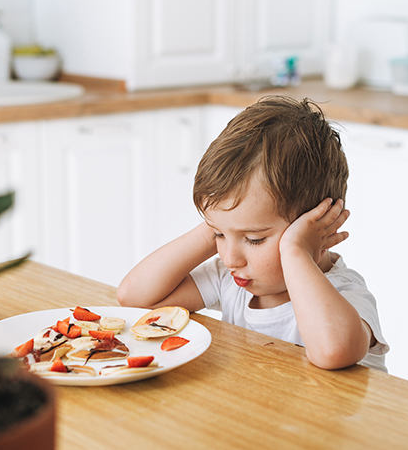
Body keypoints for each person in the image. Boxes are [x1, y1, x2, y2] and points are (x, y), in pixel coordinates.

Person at [117, 95, 388, 370]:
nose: (231, 258)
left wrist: (295, 252)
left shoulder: (344, 292)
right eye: (220, 236)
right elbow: (135, 298)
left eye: (253, 239)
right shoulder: (231, 280)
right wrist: (213, 229)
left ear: (318, 228)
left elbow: (333, 351)